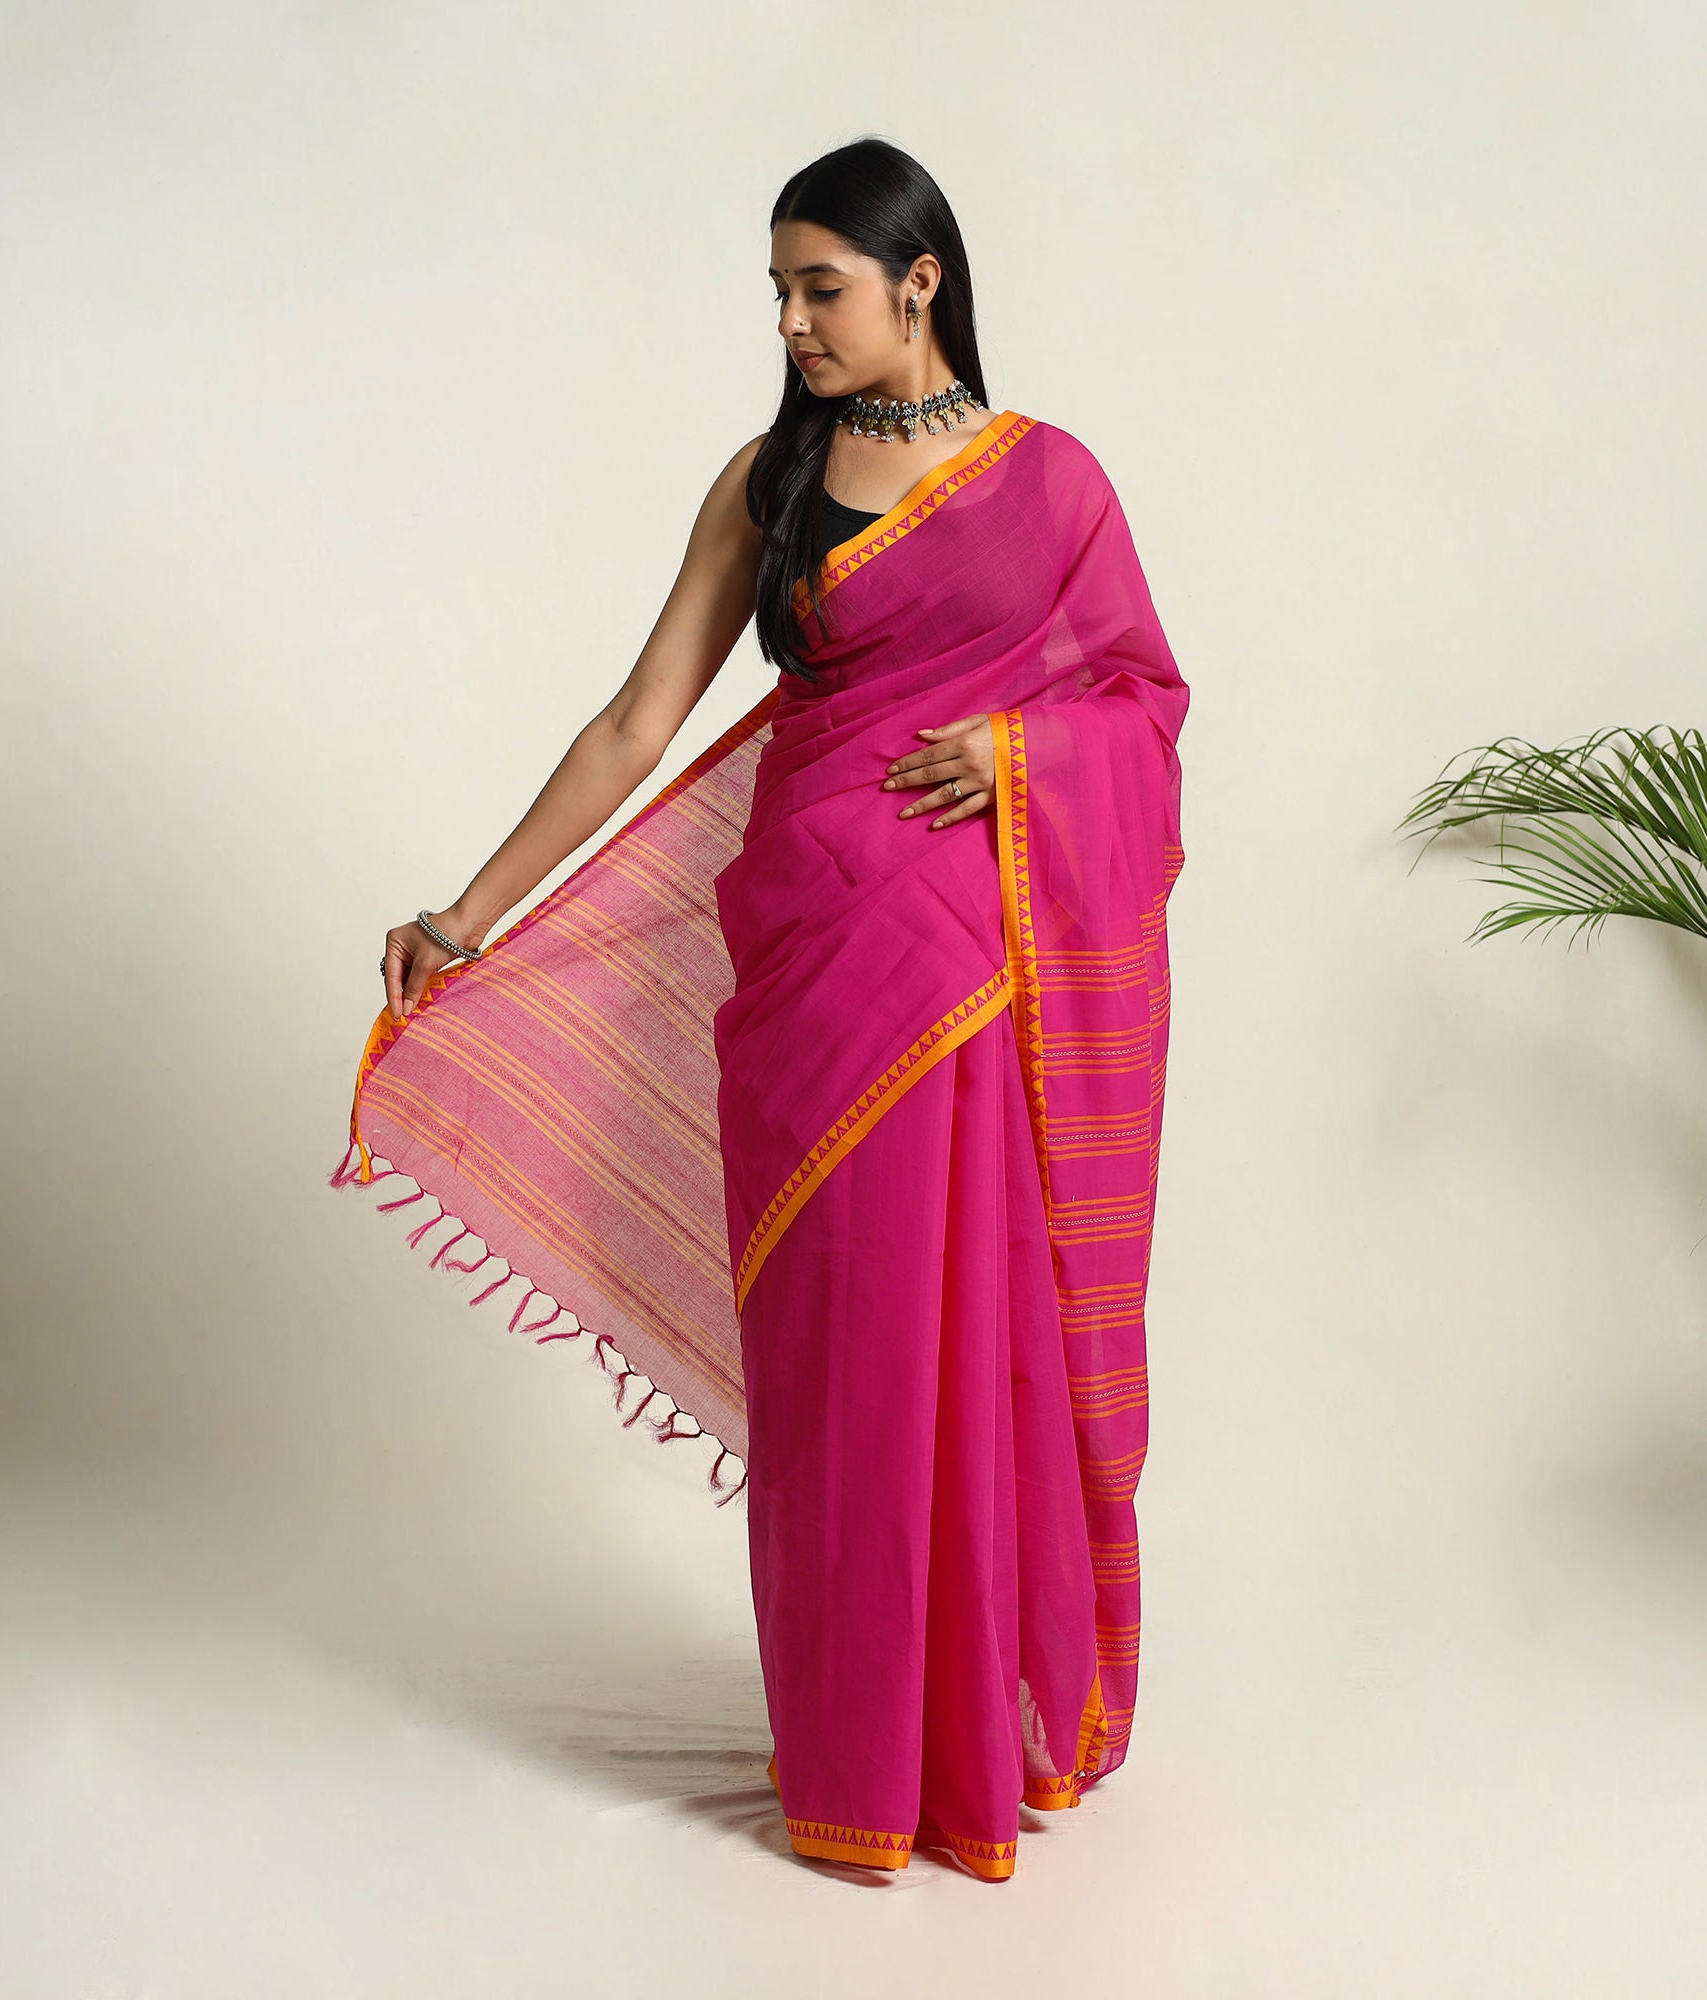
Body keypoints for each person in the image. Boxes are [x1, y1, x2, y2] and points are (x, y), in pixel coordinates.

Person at [334, 136, 1189, 1882]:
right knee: (837, 1367)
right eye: (780, 292)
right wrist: (467, 917)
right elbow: (638, 721)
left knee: (965, 1344)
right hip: (804, 971)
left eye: (823, 287)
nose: (794, 322)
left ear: (921, 282)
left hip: (963, 975)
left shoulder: (1052, 482)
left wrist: (1019, 754)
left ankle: (975, 1739)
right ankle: (859, 1757)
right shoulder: (769, 479)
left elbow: (1145, 707)